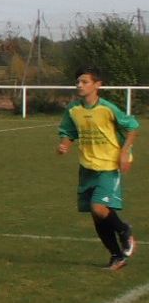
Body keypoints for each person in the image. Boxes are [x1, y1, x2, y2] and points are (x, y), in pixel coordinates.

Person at [56, 65, 138, 270]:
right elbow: (68, 131)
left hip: (109, 165)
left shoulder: (107, 108)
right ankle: (117, 256)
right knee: (97, 216)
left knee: (98, 207)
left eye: (85, 82)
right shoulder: (73, 109)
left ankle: (124, 230)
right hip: (87, 167)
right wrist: (65, 144)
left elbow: (132, 127)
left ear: (97, 85)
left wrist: (125, 152)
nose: (79, 85)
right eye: (78, 81)